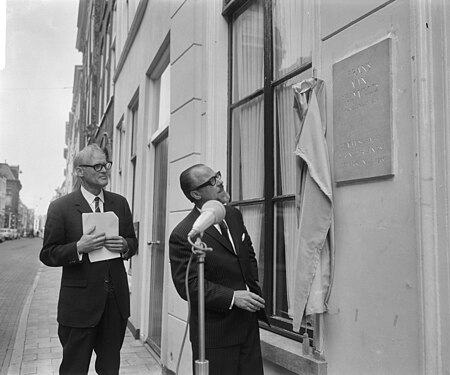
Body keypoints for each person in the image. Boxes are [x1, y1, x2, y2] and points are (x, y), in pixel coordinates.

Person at [40, 144, 138, 375]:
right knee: (74, 369)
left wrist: (125, 246)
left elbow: (132, 242)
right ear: (79, 171)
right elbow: (48, 254)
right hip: (78, 307)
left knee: (109, 368)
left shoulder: (119, 203)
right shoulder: (60, 208)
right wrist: (78, 248)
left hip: (115, 305)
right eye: (97, 166)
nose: (104, 170)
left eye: (106, 165)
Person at [169, 164, 268, 375]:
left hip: (248, 326)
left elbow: (248, 255)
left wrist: (250, 289)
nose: (220, 182)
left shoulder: (233, 215)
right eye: (212, 181)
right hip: (215, 335)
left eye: (217, 176)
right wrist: (232, 297)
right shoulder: (184, 234)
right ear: (195, 193)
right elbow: (189, 285)